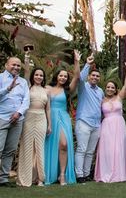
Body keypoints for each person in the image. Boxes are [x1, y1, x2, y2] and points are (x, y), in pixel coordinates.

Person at [44, 51, 81, 185]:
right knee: (49, 146)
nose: (63, 78)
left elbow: (77, 77)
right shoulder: (47, 88)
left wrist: (77, 61)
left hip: (63, 118)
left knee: (64, 145)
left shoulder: (67, 90)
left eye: (65, 76)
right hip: (49, 118)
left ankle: (63, 175)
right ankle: (47, 174)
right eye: (61, 75)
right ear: (57, 76)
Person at [94, 63, 126, 183]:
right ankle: (105, 173)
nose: (110, 89)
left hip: (119, 125)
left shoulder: (119, 97)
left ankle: (119, 175)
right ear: (105, 89)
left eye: (112, 87)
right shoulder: (101, 100)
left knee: (118, 149)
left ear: (116, 90)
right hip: (106, 127)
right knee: (107, 150)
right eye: (108, 87)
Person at [16, 64, 50, 187]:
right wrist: (26, 59)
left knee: (39, 148)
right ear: (33, 76)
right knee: (27, 147)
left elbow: (48, 109)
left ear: (43, 77)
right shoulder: (27, 87)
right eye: (36, 74)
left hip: (42, 119)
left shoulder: (47, 90)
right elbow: (26, 73)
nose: (39, 77)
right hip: (28, 118)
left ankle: (40, 179)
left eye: (41, 75)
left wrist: (49, 125)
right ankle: (25, 178)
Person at [0, 56, 30, 187]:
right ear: (6, 65)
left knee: (10, 150)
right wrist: (7, 89)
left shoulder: (23, 82)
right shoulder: (0, 78)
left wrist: (19, 113)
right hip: (1, 118)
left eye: (18, 66)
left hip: (17, 120)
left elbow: (26, 100)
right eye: (14, 65)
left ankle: (3, 179)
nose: (16, 67)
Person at [74, 53, 104, 183]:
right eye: (93, 75)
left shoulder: (100, 91)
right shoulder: (83, 86)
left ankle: (86, 174)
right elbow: (79, 78)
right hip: (83, 122)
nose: (95, 77)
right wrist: (87, 64)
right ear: (89, 76)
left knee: (90, 151)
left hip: (96, 125)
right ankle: (79, 175)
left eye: (97, 76)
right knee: (82, 149)